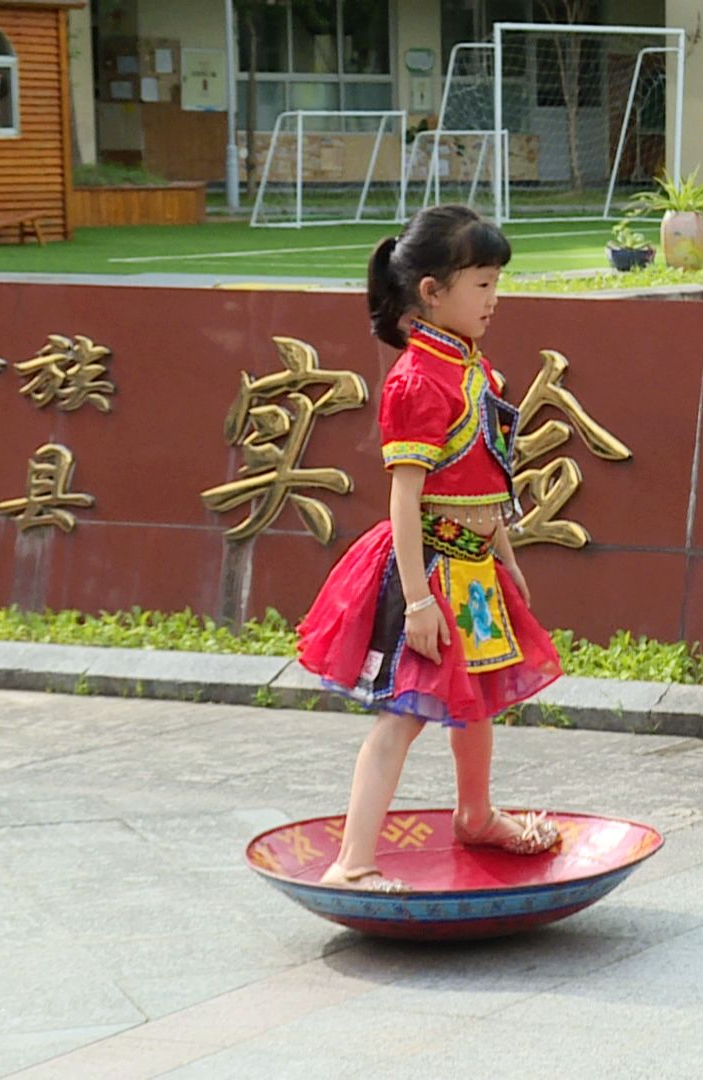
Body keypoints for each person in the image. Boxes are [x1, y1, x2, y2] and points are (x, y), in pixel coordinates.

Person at [296, 204, 564, 892]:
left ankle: (475, 815)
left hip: (472, 572)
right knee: (403, 717)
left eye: (496, 283)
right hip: (431, 573)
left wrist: (506, 557)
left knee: (472, 704)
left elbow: (484, 478)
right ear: (432, 292)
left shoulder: (475, 371)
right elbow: (405, 499)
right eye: (481, 284)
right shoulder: (417, 382)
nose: (493, 300)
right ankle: (352, 863)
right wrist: (417, 600)